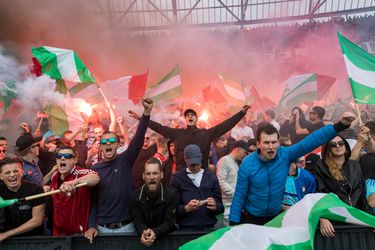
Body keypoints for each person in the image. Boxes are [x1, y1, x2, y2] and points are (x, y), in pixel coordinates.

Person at [229, 112, 355, 226]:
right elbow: (239, 195)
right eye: (266, 143)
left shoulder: (285, 155)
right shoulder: (247, 164)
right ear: (258, 144)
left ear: (279, 143)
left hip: (275, 218)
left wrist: (340, 125)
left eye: (274, 142)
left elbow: (312, 141)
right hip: (251, 219)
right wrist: (233, 223)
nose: (271, 147)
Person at [84, 97, 153, 242]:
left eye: (111, 141)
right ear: (101, 147)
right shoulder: (95, 169)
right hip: (102, 229)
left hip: (127, 227)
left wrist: (146, 113)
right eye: (104, 142)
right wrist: (91, 226)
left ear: (117, 145)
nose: (107, 143)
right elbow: (94, 202)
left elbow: (138, 138)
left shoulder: (125, 160)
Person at [148, 105, 250, 171]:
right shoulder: (178, 134)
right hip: (182, 176)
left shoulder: (206, 134)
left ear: (196, 119)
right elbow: (159, 128)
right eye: (187, 115)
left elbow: (225, 125)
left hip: (201, 174)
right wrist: (144, 118)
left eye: (192, 115)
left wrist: (241, 113)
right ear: (186, 119)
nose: (190, 116)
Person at [314, 136, 366, 237]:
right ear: (328, 149)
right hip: (335, 222)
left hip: (357, 219)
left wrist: (370, 219)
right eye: (333, 145)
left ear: (345, 145)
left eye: (341, 143)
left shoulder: (355, 165)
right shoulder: (321, 166)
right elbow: (319, 194)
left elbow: (362, 194)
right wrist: (323, 218)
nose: (338, 146)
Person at [171, 144, 224, 231]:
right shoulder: (177, 178)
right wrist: (186, 208)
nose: (195, 167)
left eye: (197, 163)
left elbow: (221, 207)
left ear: (201, 158)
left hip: (208, 228)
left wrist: (215, 207)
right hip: (186, 229)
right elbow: (172, 209)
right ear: (185, 159)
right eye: (192, 164)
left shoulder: (211, 177)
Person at [50, 146, 100, 236]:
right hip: (58, 233)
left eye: (67, 156)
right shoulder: (54, 177)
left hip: (77, 234)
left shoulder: (80, 173)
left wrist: (74, 182)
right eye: (59, 156)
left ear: (75, 160)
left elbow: (95, 178)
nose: (62, 158)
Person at [130, 157, 177, 246]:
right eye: (148, 174)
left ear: (161, 175)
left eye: (155, 173)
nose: (151, 177)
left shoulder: (171, 195)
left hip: (166, 242)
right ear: (143, 176)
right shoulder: (135, 196)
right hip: (144, 241)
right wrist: (144, 233)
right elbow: (138, 222)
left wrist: (154, 232)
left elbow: (169, 222)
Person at [0, 157, 45, 241]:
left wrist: (6, 234)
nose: (12, 175)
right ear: (1, 176)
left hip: (32, 240)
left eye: (16, 171)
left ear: (22, 172)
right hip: (4, 243)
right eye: (7, 172)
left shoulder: (36, 189)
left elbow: (37, 220)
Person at [216, 140, 250, 225]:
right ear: (238, 149)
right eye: (244, 152)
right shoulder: (224, 160)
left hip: (234, 203)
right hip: (226, 203)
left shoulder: (235, 163)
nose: (245, 155)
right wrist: (236, 194)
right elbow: (220, 181)